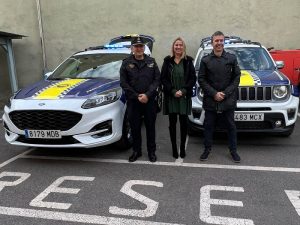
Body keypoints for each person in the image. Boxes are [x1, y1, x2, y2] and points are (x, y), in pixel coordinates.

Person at [198, 31, 241, 163]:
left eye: (221, 40)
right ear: (212, 43)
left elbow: (237, 78)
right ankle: (207, 149)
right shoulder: (205, 60)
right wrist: (214, 93)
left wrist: (225, 93)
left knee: (231, 126)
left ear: (224, 42)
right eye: (216, 41)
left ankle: (233, 151)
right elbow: (201, 79)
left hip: (228, 99)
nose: (219, 43)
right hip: (211, 99)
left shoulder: (231, 58)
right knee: (208, 125)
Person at [120, 36, 161, 162]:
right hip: (133, 102)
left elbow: (156, 80)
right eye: (136, 46)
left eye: (141, 46)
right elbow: (124, 83)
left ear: (144, 48)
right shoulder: (126, 63)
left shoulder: (152, 62)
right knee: (135, 127)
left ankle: (151, 152)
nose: (139, 48)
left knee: (150, 128)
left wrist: (147, 95)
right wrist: (137, 96)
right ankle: (136, 151)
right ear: (132, 48)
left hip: (149, 102)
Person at [161, 37, 196, 159]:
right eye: (176, 45)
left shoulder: (188, 61)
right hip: (171, 96)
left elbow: (192, 78)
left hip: (184, 97)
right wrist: (173, 91)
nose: (178, 47)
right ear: (173, 47)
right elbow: (163, 79)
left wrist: (184, 90)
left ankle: (182, 148)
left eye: (180, 45)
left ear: (183, 47)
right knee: (172, 124)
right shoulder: (167, 61)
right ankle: (174, 148)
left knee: (183, 124)